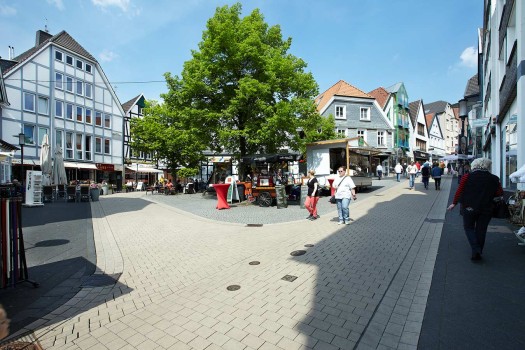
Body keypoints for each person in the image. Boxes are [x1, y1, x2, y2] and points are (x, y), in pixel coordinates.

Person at [447, 158, 503, 261]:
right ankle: (477, 252)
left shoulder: (467, 177)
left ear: (474, 166)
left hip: (469, 207)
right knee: (481, 230)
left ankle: (476, 249)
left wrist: (454, 203)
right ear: (488, 166)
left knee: (469, 228)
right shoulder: (495, 178)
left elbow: (459, 191)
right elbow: (499, 193)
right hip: (487, 208)